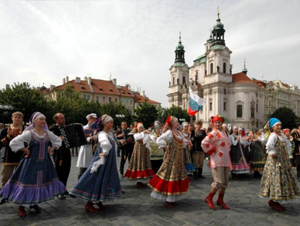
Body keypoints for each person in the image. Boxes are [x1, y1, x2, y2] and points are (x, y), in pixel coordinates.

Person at [0, 112, 65, 217]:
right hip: (31, 163)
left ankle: (34, 203)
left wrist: (52, 148)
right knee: (27, 183)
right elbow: (13, 142)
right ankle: (21, 206)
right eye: (40, 119)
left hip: (44, 163)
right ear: (34, 121)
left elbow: (57, 140)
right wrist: (25, 149)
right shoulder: (30, 133)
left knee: (38, 183)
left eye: (44, 119)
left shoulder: (47, 133)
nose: (43, 121)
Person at [70, 114, 122, 213]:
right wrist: (106, 151)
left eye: (112, 122)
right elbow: (105, 144)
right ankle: (89, 203)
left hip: (108, 161)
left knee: (104, 179)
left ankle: (98, 200)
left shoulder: (109, 134)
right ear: (105, 124)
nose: (112, 124)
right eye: (110, 122)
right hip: (102, 160)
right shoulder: (102, 134)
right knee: (96, 178)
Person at [148, 116, 190, 208]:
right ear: (172, 124)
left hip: (179, 158)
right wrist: (165, 147)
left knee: (176, 176)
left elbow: (182, 142)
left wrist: (187, 142)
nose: (178, 123)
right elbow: (159, 139)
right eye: (176, 122)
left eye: (178, 122)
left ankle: (173, 198)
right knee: (170, 175)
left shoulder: (179, 132)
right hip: (171, 158)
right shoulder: (169, 133)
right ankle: (168, 199)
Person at [259, 118, 300, 211]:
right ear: (273, 127)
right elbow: (269, 146)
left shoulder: (281, 135)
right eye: (277, 125)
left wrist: (287, 152)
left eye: (280, 125)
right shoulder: (273, 136)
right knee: (276, 178)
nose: (279, 127)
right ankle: (273, 200)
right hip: (275, 161)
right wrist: (273, 152)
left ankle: (276, 200)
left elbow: (288, 144)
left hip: (282, 159)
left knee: (282, 179)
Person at [201, 115, 231, 210]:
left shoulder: (223, 132)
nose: (218, 124)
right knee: (218, 181)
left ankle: (220, 200)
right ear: (213, 124)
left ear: (221, 123)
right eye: (216, 122)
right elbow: (204, 143)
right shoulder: (213, 133)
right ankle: (209, 197)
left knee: (225, 182)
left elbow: (227, 145)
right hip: (217, 160)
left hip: (225, 160)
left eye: (219, 122)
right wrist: (211, 150)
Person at [124, 122, 155, 188]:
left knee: (144, 163)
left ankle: (145, 179)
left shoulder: (145, 134)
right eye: (140, 128)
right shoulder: (136, 134)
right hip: (138, 149)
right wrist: (144, 133)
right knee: (138, 163)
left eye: (142, 127)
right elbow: (139, 138)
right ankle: (139, 180)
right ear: (138, 129)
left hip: (144, 150)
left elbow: (150, 137)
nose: (141, 129)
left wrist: (153, 135)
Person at [49, 113, 72, 199]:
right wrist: (59, 139)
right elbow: (49, 141)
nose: (63, 119)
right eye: (61, 118)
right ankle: (58, 191)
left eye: (64, 117)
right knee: (59, 170)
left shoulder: (66, 128)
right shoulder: (52, 129)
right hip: (58, 152)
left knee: (66, 169)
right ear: (56, 119)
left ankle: (63, 188)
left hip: (66, 151)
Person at [0, 112, 24, 187]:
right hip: (8, 156)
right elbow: (1, 143)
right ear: (12, 118)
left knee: (20, 177)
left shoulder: (25, 130)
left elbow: (28, 142)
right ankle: (4, 192)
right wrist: (8, 137)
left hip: (22, 156)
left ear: (22, 119)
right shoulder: (5, 130)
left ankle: (18, 192)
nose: (17, 119)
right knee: (6, 177)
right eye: (15, 117)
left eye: (19, 117)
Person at [76, 113, 98, 180]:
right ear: (89, 119)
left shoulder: (96, 129)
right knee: (83, 167)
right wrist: (89, 138)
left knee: (93, 168)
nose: (95, 121)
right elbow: (80, 139)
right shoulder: (83, 128)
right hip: (86, 149)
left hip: (94, 149)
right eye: (93, 119)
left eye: (95, 119)